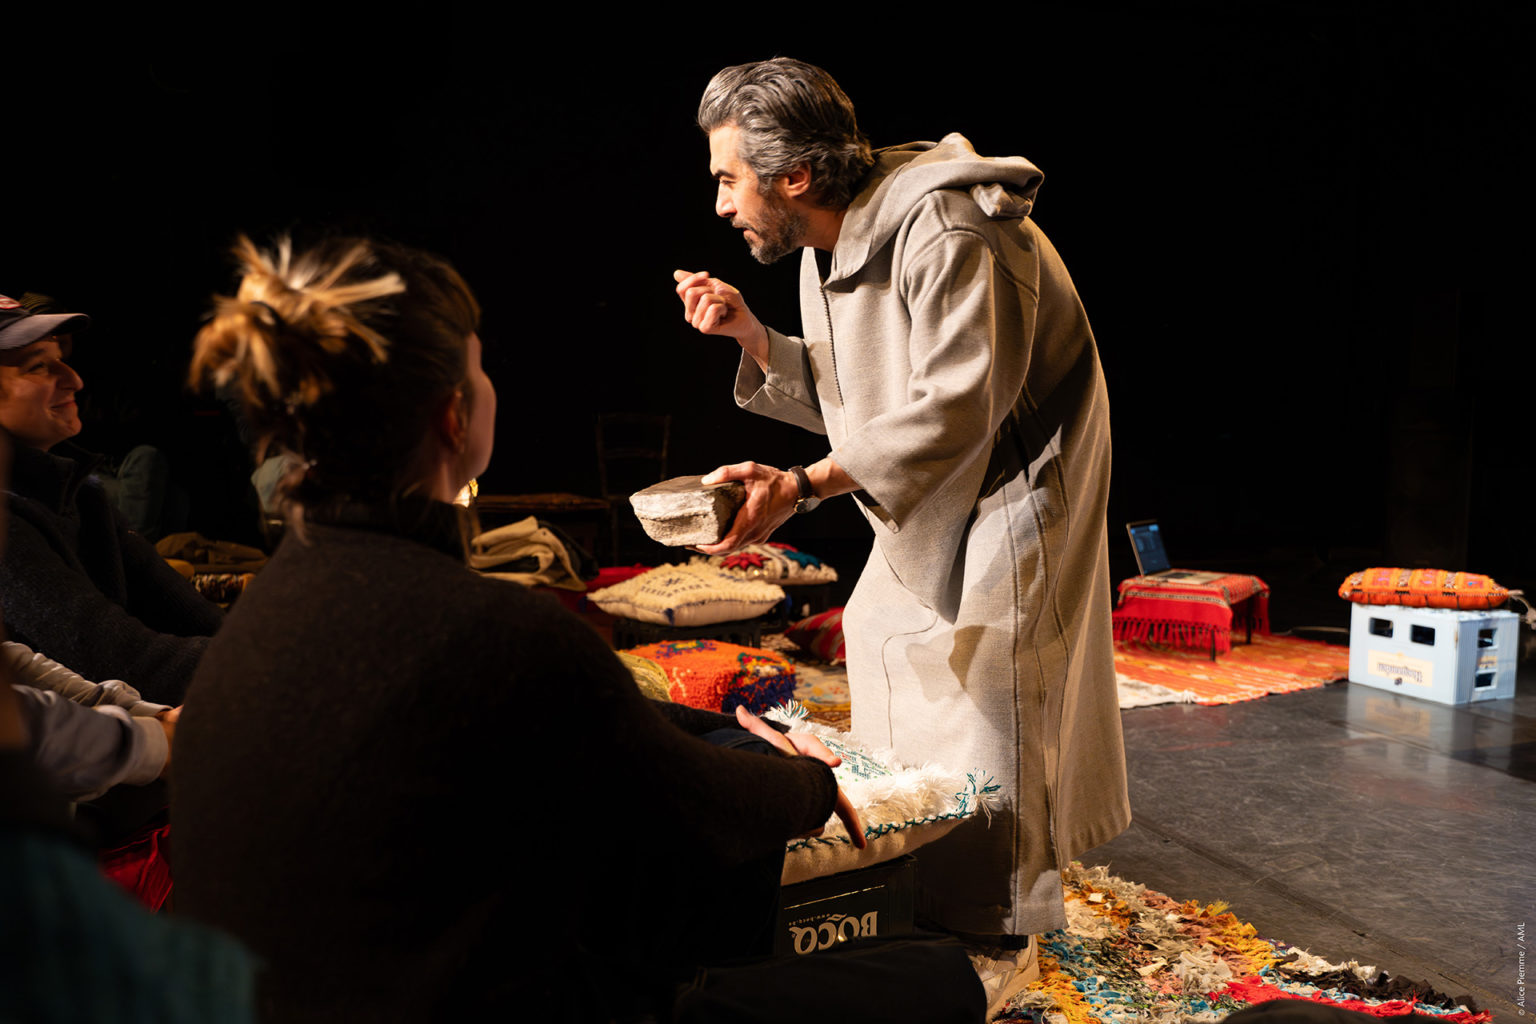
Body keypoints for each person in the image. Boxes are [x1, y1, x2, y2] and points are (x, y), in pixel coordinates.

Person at [173, 236, 904, 1022]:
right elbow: (694, 803)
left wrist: (717, 723)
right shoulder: (495, 631)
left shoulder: (271, 612)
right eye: (481, 369)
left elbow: (587, 724)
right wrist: (808, 780)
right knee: (930, 982)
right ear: (454, 416)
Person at [674, 58, 1131, 950]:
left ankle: (998, 924)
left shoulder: (952, 227)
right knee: (888, 647)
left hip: (1016, 480)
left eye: (730, 179)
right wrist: (754, 336)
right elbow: (864, 398)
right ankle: (913, 885)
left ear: (794, 176)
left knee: (993, 686)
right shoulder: (827, 245)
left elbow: (957, 408)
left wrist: (803, 486)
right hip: (931, 488)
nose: (722, 204)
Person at [0, 295, 221, 705]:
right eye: (38, 365)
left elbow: (194, 617)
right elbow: (129, 663)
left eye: (60, 359)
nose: (74, 380)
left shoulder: (83, 495)